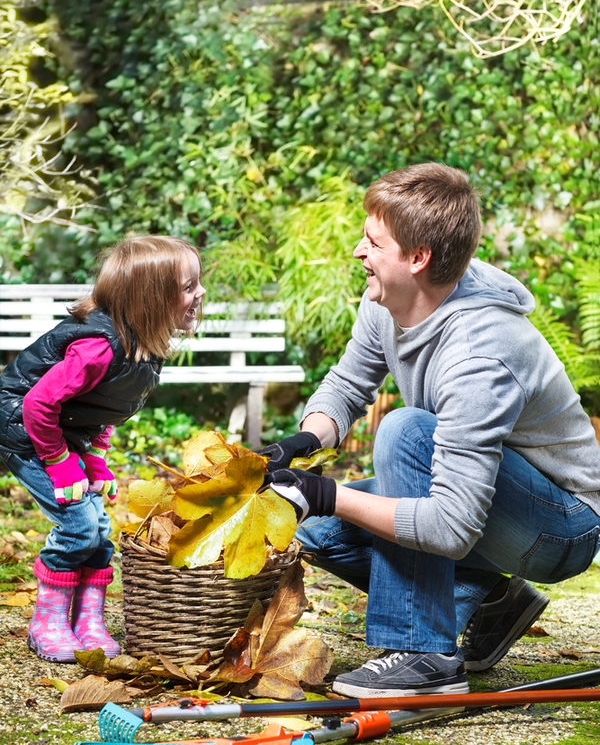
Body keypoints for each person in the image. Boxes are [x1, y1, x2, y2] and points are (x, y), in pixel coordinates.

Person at [263, 162, 600, 698]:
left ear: (417, 259)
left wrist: (327, 493)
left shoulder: (480, 351)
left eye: (373, 242)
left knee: (406, 433)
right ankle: (491, 596)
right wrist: (305, 440)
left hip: (559, 525)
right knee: (310, 530)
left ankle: (425, 657)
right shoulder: (388, 301)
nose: (359, 252)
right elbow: (349, 383)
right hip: (486, 499)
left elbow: (451, 526)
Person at [0, 235, 205, 663]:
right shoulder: (97, 347)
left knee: (98, 531)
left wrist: (94, 458)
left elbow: (102, 409)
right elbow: (39, 404)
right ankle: (48, 622)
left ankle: (87, 621)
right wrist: (61, 466)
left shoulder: (142, 346)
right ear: (152, 298)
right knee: (78, 526)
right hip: (23, 426)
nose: (200, 293)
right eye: (189, 287)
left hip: (64, 431)